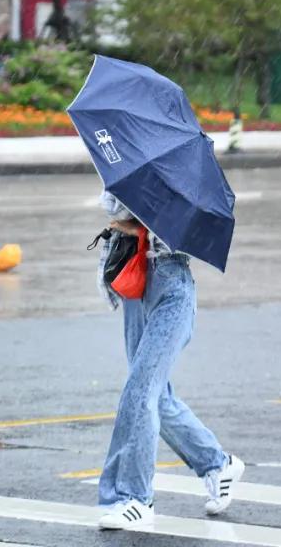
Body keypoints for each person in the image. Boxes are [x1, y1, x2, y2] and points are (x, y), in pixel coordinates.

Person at [94, 191, 243, 529]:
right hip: (136, 281)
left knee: (140, 391)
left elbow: (189, 230)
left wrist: (140, 222)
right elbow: (113, 209)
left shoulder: (186, 178)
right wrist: (132, 218)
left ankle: (135, 498)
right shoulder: (134, 164)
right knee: (154, 395)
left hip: (171, 286)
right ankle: (217, 464)